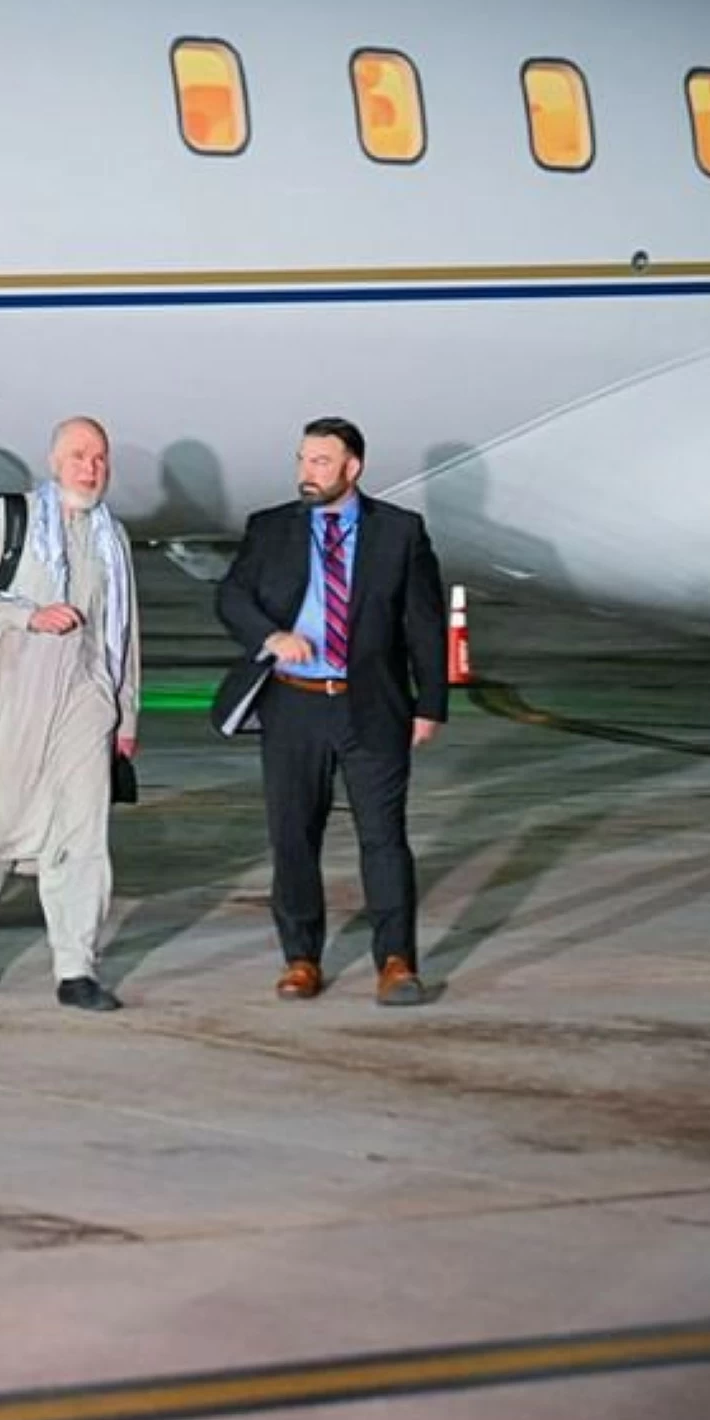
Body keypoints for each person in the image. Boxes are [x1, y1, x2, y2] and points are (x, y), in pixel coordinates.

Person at [213, 416, 447, 1006]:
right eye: (302, 460)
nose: (306, 473)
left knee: (384, 838)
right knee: (293, 837)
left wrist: (430, 704)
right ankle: (301, 958)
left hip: (372, 706)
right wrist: (271, 636)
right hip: (293, 703)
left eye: (320, 462)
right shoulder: (271, 528)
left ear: (352, 467)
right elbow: (231, 596)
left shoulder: (399, 532)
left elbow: (424, 624)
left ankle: (396, 962)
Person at [0, 417, 140, 1013]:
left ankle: (76, 967)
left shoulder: (113, 536)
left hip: (85, 696)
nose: (90, 468)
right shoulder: (10, 517)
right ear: (54, 461)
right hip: (9, 691)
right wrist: (30, 615)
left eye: (99, 458)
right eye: (78, 456)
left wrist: (125, 716)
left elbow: (125, 631)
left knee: (82, 835)